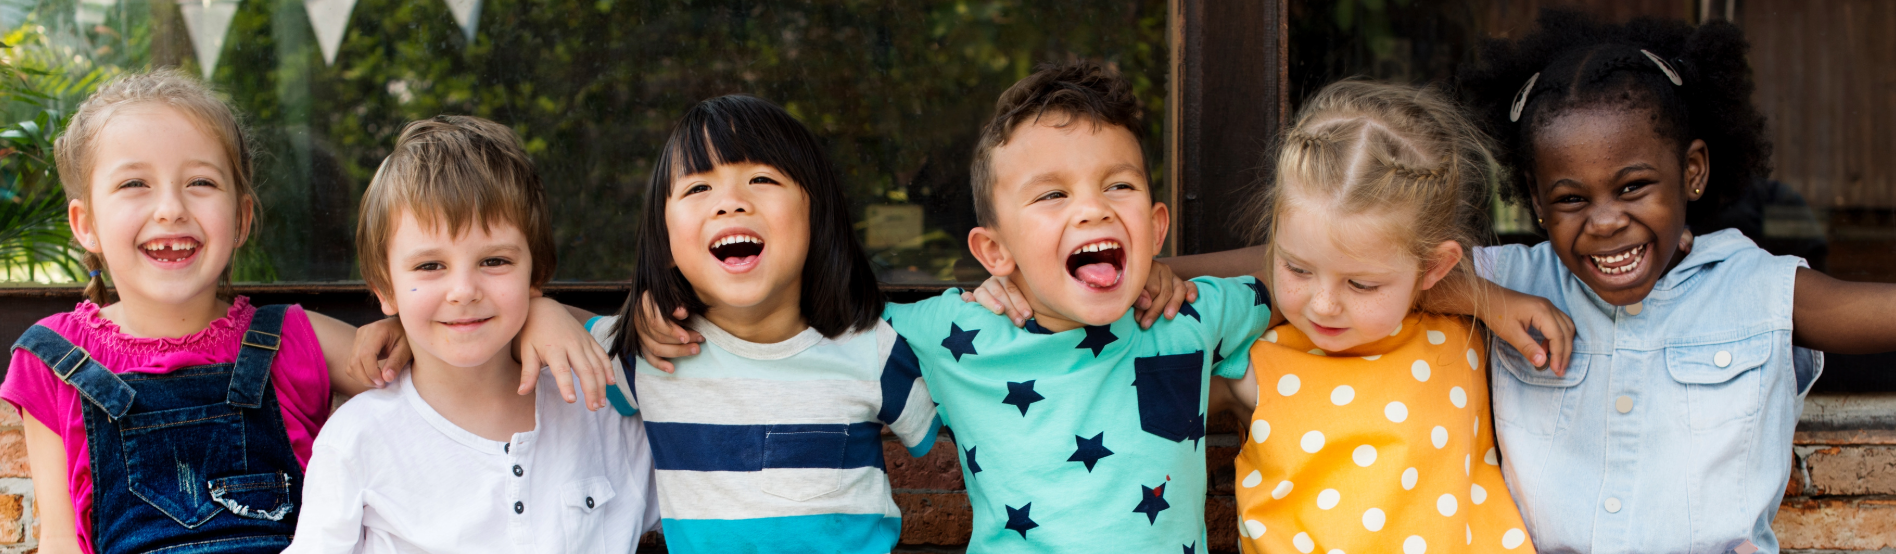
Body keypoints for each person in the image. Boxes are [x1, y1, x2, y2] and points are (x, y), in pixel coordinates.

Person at [639, 62, 1569, 552]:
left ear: (1155, 223)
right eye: (1050, 196)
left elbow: (1333, 264)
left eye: (1115, 186)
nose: (1089, 208)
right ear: (994, 251)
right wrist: (625, 311)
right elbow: (793, 324)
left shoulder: (1197, 315)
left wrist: (1476, 294)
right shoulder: (953, 333)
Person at [1, 71, 604, 554]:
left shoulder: (290, 338)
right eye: (135, 184)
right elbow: (59, 540)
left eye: (200, 183)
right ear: (86, 225)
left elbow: (451, 344)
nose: (169, 210)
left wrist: (537, 311)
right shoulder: (54, 359)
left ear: (241, 219)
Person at [1451, 11, 1896, 552]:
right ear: (1537, 199)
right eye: (1571, 198)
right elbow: (1384, 274)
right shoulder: (1515, 278)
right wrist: (1490, 301)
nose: (1605, 220)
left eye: (1634, 186)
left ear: (1692, 171)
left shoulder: (1753, 286)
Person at [286, 116, 656, 553]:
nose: (463, 291)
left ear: (535, 272)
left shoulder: (603, 409)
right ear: (386, 287)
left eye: (494, 261)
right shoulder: (357, 439)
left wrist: (550, 312)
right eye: (430, 266)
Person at [593, 95, 938, 553]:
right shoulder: (646, 350)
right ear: (664, 235)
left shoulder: (873, 347)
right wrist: (544, 315)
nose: (730, 203)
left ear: (816, 212)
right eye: (698, 188)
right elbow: (530, 342)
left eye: (761, 179)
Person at [1223, 80, 1534, 553]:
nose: (1323, 304)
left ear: (1435, 267)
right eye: (1297, 268)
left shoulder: (1462, 335)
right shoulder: (1255, 362)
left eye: (1361, 284)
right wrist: (1153, 278)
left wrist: (1487, 300)